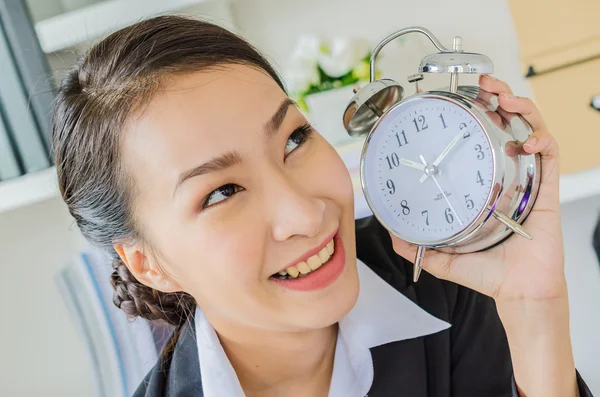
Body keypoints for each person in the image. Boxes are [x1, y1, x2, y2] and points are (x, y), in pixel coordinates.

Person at [51, 15, 593, 397]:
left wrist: (533, 305)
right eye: (222, 192)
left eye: (293, 140)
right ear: (149, 263)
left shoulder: (448, 286)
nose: (307, 214)